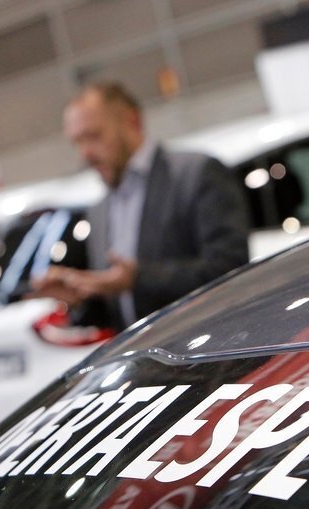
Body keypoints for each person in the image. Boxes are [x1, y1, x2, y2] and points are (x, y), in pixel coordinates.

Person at [32, 81, 250, 329]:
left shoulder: (196, 175)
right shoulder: (100, 209)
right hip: (143, 352)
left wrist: (138, 278)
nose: (85, 153)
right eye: (77, 142)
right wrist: (80, 298)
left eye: (93, 136)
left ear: (132, 122)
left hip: (206, 343)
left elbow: (231, 269)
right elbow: (120, 311)